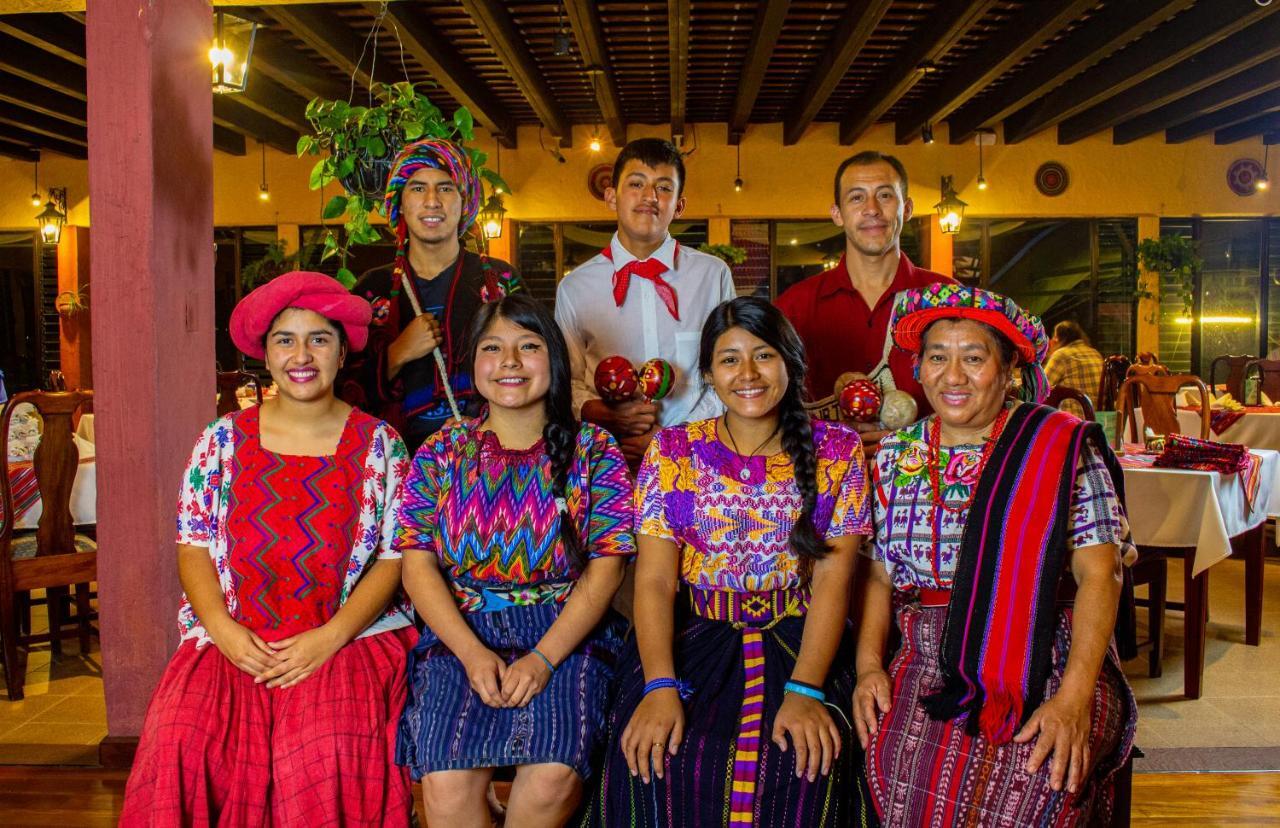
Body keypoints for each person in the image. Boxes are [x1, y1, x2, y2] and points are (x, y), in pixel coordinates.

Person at [121, 272, 416, 826]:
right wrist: (226, 634)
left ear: (343, 350)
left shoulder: (381, 445)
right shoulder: (221, 441)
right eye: (286, 339)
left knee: (324, 748)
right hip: (236, 632)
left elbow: (393, 557)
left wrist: (330, 638)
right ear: (265, 352)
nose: (301, 355)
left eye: (318, 339)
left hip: (346, 634)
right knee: (181, 737)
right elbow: (194, 546)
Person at [582, 296, 877, 827]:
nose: (748, 373)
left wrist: (807, 689)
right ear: (710, 374)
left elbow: (834, 579)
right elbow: (652, 582)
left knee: (804, 763)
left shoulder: (837, 449)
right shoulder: (673, 451)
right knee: (658, 757)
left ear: (791, 362)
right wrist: (659, 685)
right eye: (729, 359)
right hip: (692, 636)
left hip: (803, 638)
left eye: (764, 356)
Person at [855, 283, 1137, 826]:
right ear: (918, 367)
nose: (952, 376)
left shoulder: (1057, 446)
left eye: (973, 358)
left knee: (1037, 784)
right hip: (928, 654)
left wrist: (1073, 700)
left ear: (1008, 370)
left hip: (1048, 653)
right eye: (938, 357)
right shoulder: (895, 452)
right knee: (902, 777)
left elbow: (1101, 574)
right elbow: (878, 576)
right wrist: (869, 666)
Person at [394, 292, 635, 827]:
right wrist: (472, 655)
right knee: (447, 785)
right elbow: (416, 564)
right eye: (492, 347)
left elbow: (608, 566)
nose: (509, 362)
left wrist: (544, 658)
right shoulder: (442, 451)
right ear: (473, 364)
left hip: (566, 631)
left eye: (528, 346)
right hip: (460, 633)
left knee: (551, 777)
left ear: (553, 357)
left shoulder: (593, 450)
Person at [555, 138, 737, 465]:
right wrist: (606, 414)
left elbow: (728, 372)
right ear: (611, 196)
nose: (650, 197)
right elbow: (566, 381)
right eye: (636, 183)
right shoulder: (575, 287)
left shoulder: (713, 275)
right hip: (607, 460)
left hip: (698, 458)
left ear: (679, 206)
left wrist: (675, 438)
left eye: (664, 188)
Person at [341, 138, 522, 452]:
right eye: (417, 188)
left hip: (490, 456)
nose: (432, 201)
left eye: (446, 188)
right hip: (395, 462)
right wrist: (397, 353)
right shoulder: (373, 290)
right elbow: (343, 388)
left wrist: (488, 425)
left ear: (464, 203)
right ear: (400, 204)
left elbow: (537, 367)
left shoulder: (500, 281)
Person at [775, 151, 955, 440]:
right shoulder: (794, 306)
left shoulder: (948, 298)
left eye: (885, 196)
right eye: (857, 198)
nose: (872, 209)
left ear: (906, 209)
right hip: (822, 473)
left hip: (931, 471)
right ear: (837, 214)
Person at [1044, 320, 1105, 401]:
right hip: (1095, 412)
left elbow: (1041, 387)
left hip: (1073, 411)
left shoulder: (1062, 355)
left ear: (1057, 339)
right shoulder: (1095, 353)